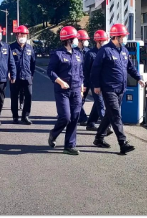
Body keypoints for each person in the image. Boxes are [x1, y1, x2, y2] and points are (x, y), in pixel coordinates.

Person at [91, 23, 145, 154]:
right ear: (116, 36)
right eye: (123, 36)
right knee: (116, 115)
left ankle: (98, 138)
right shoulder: (105, 50)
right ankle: (123, 142)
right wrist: (96, 85)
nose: (125, 38)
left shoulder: (124, 50)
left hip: (121, 88)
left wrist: (139, 78)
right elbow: (95, 69)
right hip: (108, 88)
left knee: (110, 114)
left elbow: (130, 67)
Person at [46, 26, 84, 155]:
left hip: (76, 90)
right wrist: (60, 81)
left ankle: (69, 145)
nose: (76, 41)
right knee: (66, 117)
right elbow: (50, 71)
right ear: (68, 39)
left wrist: (81, 87)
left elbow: (81, 72)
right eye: (74, 38)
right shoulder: (57, 54)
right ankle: (53, 133)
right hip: (62, 91)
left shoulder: (78, 54)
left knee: (74, 117)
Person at [83, 29, 113, 134]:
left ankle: (91, 123)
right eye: (104, 41)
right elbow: (85, 71)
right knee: (101, 104)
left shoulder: (107, 51)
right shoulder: (90, 54)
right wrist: (85, 84)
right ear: (98, 42)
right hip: (95, 84)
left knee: (97, 103)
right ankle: (106, 127)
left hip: (105, 83)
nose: (106, 43)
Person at [10, 25, 36, 125]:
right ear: (16, 35)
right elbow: (7, 62)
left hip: (27, 76)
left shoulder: (30, 48)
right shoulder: (11, 48)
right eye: (20, 34)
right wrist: (9, 73)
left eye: (24, 35)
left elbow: (33, 63)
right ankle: (15, 116)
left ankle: (25, 116)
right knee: (14, 97)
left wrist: (31, 75)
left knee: (28, 96)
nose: (22, 37)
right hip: (15, 77)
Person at [76, 29, 91, 126]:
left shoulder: (88, 52)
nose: (86, 41)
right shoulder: (74, 52)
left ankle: (77, 115)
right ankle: (83, 118)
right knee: (78, 100)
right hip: (78, 79)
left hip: (87, 79)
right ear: (80, 41)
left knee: (82, 100)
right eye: (84, 39)